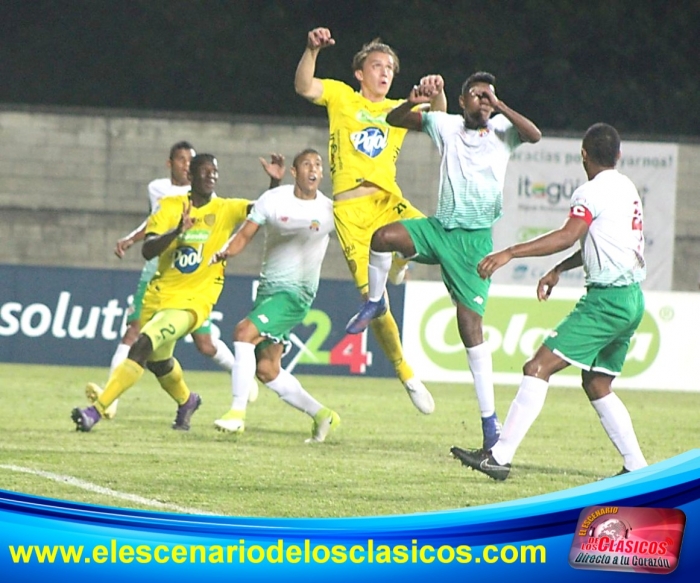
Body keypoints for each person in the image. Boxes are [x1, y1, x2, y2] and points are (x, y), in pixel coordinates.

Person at [346, 72, 541, 450]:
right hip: (439, 230)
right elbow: (394, 120)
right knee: (382, 237)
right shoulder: (446, 125)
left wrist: (499, 105)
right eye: (477, 96)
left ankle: (489, 424)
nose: (484, 102)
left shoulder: (503, 130)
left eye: (489, 96)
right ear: (463, 100)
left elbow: (534, 135)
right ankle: (374, 301)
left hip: (474, 243)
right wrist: (414, 99)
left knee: (470, 328)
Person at [451, 123, 648, 480]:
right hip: (633, 299)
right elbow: (597, 242)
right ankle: (636, 466)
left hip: (607, 302)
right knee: (597, 383)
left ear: (583, 154)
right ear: (618, 155)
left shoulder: (590, 192)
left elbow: (568, 235)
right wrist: (559, 269)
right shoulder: (627, 187)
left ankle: (499, 457)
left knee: (537, 367)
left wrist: (511, 251)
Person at [294, 27, 447, 415]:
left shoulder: (398, 108)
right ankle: (405, 372)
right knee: (375, 303)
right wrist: (312, 49)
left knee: (433, 234)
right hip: (350, 211)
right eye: (377, 66)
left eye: (390, 68)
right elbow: (304, 86)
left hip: (387, 201)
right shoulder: (341, 96)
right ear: (360, 73)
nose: (385, 73)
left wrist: (438, 92)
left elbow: (442, 122)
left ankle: (398, 262)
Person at [86, 143, 283, 418]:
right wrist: (177, 231)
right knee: (160, 361)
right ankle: (187, 401)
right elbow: (149, 249)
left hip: (193, 301)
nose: (212, 176)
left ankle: (97, 409)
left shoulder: (227, 208)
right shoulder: (169, 205)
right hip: (162, 294)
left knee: (141, 342)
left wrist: (274, 181)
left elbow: (264, 210)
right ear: (191, 176)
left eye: (215, 172)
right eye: (205, 171)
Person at [209, 149, 339, 443]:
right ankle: (322, 414)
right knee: (267, 369)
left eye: (318, 164)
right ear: (295, 171)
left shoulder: (330, 210)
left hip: (296, 295)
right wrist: (226, 251)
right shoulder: (274, 199)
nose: (313, 169)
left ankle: (236, 414)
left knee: (243, 332)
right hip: (268, 290)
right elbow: (245, 234)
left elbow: (354, 241)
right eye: (307, 164)